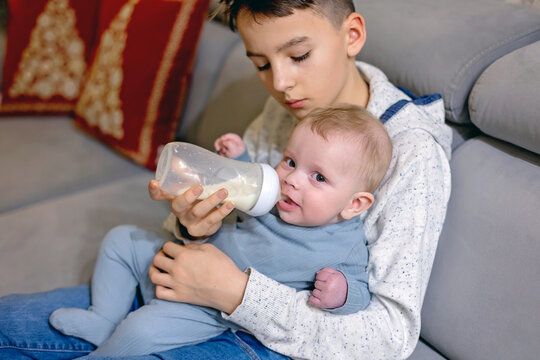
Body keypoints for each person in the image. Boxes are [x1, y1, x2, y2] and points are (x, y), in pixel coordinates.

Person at [0, 1, 452, 359]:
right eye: (260, 63)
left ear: (351, 35)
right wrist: (194, 224)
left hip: (274, 335)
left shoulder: (411, 152)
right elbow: (239, 217)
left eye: (298, 56)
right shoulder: (288, 109)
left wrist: (236, 293)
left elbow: (388, 338)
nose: (281, 83)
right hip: (199, 283)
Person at [48, 105, 392, 357]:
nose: (291, 179)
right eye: (290, 161)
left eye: (318, 177)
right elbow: (242, 187)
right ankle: (103, 317)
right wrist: (239, 158)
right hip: (180, 255)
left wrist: (342, 293)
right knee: (121, 239)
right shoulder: (275, 197)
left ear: (355, 205)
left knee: (142, 329)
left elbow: (362, 295)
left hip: (207, 307)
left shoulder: (344, 247)